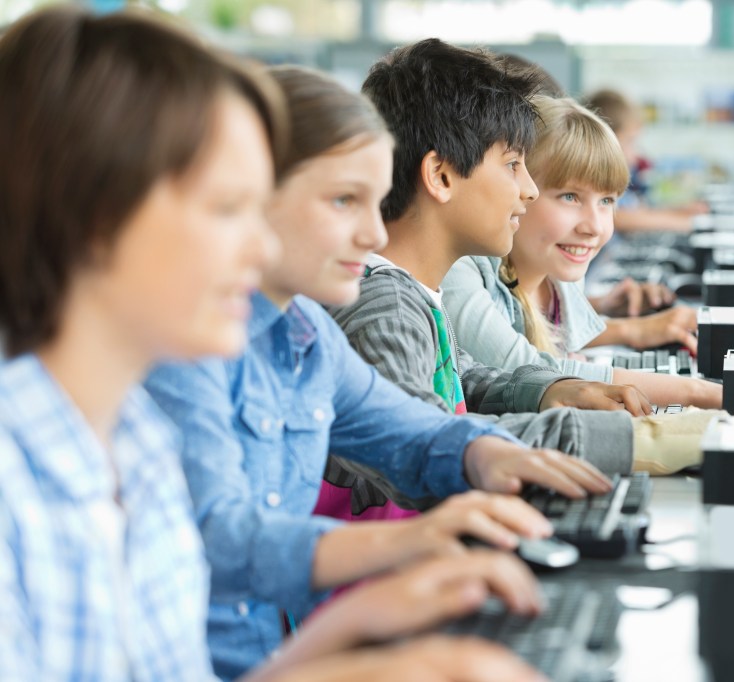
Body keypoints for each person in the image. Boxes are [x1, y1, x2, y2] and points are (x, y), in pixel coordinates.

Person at [0, 7, 547, 682]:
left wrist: (356, 629)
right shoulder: (28, 472)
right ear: (95, 216)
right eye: (228, 209)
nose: (259, 246)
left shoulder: (130, 441)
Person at [143, 63, 610, 679]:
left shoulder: (306, 333)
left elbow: (412, 430)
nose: (371, 232)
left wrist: (485, 454)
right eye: (343, 201)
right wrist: (407, 544)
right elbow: (220, 538)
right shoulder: (188, 350)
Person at [336, 38, 719, 478]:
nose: (529, 190)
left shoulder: (418, 294)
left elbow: (468, 379)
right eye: (513, 165)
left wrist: (554, 390)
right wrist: (644, 438)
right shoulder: (388, 305)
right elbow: (424, 444)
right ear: (441, 176)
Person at [441, 96, 722, 411]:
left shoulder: (558, 274)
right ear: (519, 189)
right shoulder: (461, 268)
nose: (595, 227)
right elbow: (538, 374)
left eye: (607, 201)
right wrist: (700, 393)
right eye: (570, 197)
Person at [582, 88, 707, 233]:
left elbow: (637, 211)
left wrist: (679, 211)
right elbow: (618, 217)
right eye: (630, 141)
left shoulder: (615, 182)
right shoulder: (592, 179)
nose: (635, 156)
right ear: (604, 141)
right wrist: (685, 223)